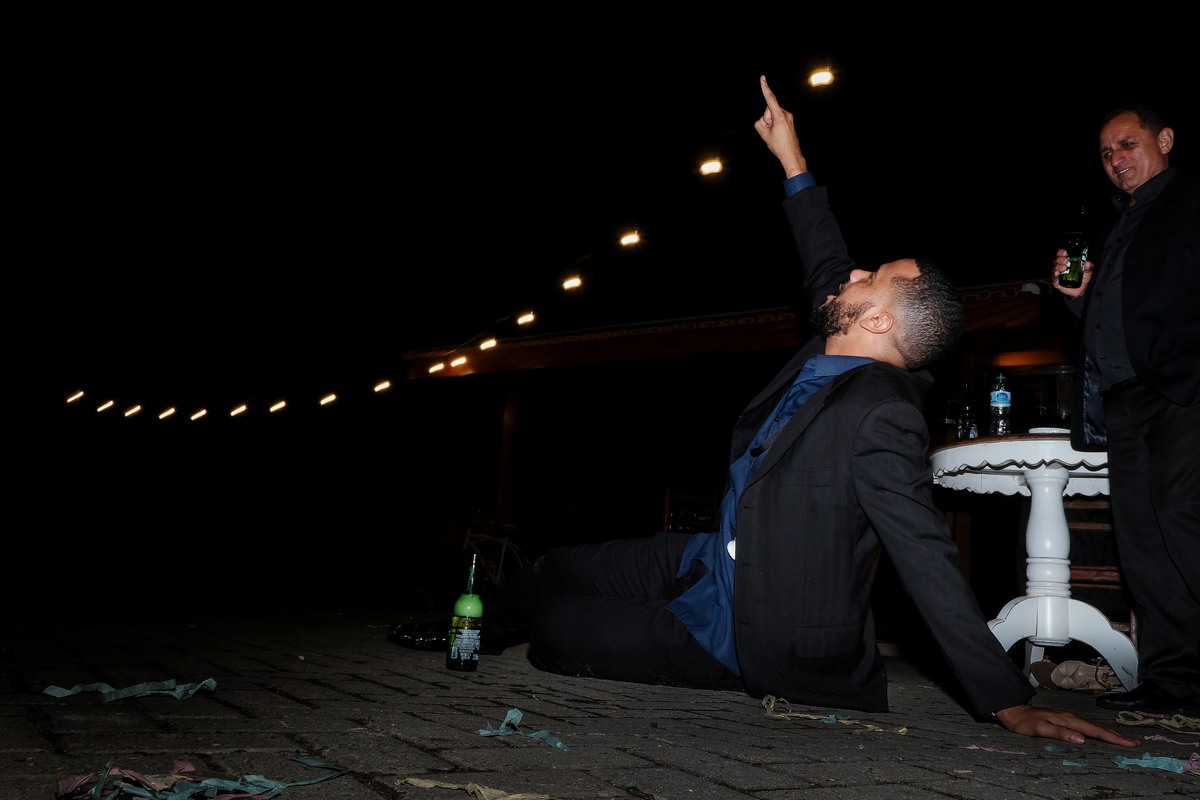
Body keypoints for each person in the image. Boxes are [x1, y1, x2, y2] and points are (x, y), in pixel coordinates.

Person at [483, 76, 1137, 747]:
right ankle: (468, 631)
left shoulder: (881, 415)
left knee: (558, 628)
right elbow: (825, 256)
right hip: (711, 561)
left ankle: (576, 633)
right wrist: (791, 158)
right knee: (555, 569)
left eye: (869, 278)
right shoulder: (838, 342)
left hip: (748, 629)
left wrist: (1007, 701)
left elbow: (924, 555)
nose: (850, 275)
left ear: (877, 320)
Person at [1050, 104, 1200, 715]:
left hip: (1180, 390)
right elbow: (1113, 317)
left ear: (1165, 139)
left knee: (1184, 518)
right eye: (1107, 153)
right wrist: (1075, 299)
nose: (1116, 159)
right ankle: (1175, 681)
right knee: (1141, 540)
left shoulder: (1190, 201)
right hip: (1122, 399)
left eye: (1128, 144)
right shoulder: (1117, 221)